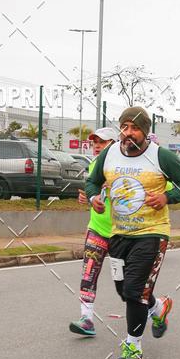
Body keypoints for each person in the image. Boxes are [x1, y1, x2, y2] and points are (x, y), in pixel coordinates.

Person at [85, 106, 180, 359]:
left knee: (134, 291)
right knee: (124, 291)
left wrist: (167, 197)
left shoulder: (160, 156)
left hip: (152, 234)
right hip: (119, 234)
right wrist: (93, 198)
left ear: (145, 132)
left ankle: (133, 346)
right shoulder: (110, 153)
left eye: (135, 128)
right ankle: (158, 307)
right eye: (125, 127)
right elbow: (92, 181)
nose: (129, 133)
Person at [69, 127, 119, 337]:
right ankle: (87, 319)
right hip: (97, 228)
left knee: (125, 283)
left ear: (114, 145)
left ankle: (155, 308)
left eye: (102, 142)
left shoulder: (122, 166)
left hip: (121, 232)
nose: (97, 146)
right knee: (89, 272)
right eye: (94, 142)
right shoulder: (92, 165)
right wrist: (87, 199)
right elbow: (94, 192)